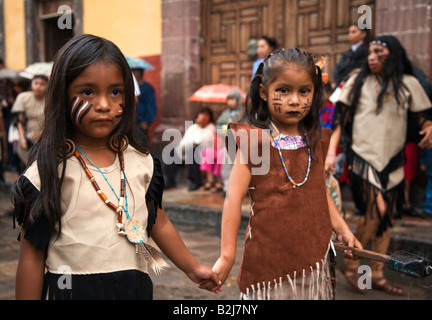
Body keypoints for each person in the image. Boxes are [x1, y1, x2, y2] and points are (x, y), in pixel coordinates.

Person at [12, 34, 220, 300]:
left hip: (133, 290)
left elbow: (159, 222)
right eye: (87, 92)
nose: (103, 105)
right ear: (62, 96)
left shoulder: (141, 161)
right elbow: (31, 256)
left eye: (115, 92)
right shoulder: (49, 171)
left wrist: (192, 268)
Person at [209, 48, 361, 300]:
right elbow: (232, 199)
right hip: (268, 260)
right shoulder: (253, 142)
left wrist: (343, 229)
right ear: (263, 92)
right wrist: (227, 256)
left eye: (304, 91)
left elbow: (318, 191)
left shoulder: (315, 139)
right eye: (283, 90)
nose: (294, 100)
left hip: (312, 258)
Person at [325, 35, 432, 296]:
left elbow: (424, 116)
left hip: (393, 159)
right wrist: (331, 152)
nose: (371, 57)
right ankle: (351, 266)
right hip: (362, 156)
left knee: (386, 219)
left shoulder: (408, 83)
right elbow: (338, 120)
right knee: (379, 209)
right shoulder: (356, 81)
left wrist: (429, 126)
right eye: (370, 52)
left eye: (378, 52)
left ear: (393, 54)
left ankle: (376, 273)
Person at [163, 107, 216, 191]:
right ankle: (170, 179)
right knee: (174, 151)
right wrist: (198, 127)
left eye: (206, 115)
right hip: (186, 150)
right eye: (202, 114)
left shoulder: (211, 127)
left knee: (193, 152)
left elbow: (199, 141)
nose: (203, 116)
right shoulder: (194, 127)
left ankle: (196, 181)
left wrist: (201, 127)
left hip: (202, 153)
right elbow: (184, 142)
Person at [10, 75, 48, 171]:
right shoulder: (23, 97)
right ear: (31, 84)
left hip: (45, 138)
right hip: (27, 137)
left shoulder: (50, 100)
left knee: (43, 165)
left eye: (42, 84)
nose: (38, 86)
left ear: (47, 86)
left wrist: (42, 133)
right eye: (36, 83)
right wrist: (22, 139)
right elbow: (20, 121)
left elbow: (53, 121)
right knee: (27, 166)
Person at [216, 88, 245, 194]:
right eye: (229, 99)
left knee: (242, 167)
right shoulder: (225, 114)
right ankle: (227, 187)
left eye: (232, 99)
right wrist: (221, 131)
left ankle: (243, 188)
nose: (230, 102)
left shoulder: (244, 113)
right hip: (228, 143)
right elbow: (218, 125)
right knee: (227, 165)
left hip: (242, 144)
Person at [131, 68, 157, 142]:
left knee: (141, 141)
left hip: (141, 121)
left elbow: (151, 105)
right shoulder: (130, 86)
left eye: (134, 72)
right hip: (131, 121)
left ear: (139, 74)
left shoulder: (147, 88)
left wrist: (146, 121)